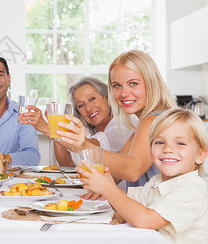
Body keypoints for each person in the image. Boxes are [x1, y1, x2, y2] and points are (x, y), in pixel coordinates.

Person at [22, 50, 177, 192]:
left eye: (133, 84)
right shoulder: (151, 121)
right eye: (117, 85)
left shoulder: (152, 120)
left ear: (151, 81)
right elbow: (116, 176)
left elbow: (132, 170)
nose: (123, 93)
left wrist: (80, 144)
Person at [79, 108, 208, 243]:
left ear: (200, 155)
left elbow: (144, 219)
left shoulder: (192, 190)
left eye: (180, 143)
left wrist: (107, 188)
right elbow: (127, 205)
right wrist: (108, 182)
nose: (168, 149)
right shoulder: (157, 182)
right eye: (159, 142)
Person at [50, 77, 135, 167]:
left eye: (92, 99)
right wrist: (56, 124)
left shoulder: (124, 123)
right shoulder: (93, 136)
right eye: (81, 105)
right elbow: (67, 164)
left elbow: (97, 150)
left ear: (107, 98)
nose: (88, 108)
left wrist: (52, 128)